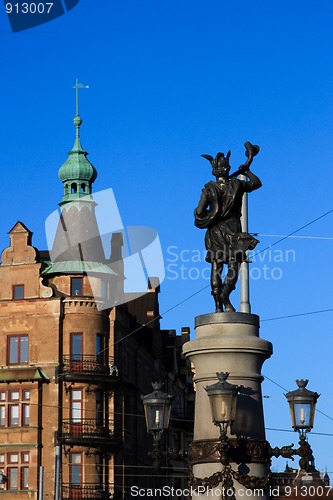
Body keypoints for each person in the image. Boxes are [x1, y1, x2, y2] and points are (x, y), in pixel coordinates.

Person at [194, 142, 262, 312]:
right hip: (233, 231)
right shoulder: (236, 185)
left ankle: (219, 303)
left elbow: (199, 213)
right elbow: (256, 183)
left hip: (215, 231)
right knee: (234, 266)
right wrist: (247, 171)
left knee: (217, 266)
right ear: (228, 168)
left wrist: (212, 214)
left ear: (214, 171)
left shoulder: (208, 189)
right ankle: (224, 296)